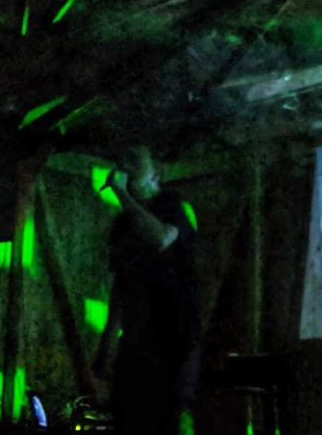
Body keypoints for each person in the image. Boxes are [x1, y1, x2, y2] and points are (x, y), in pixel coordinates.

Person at [92, 145, 201, 435]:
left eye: (134, 161)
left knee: (169, 417)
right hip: (136, 338)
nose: (125, 167)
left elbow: (161, 237)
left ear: (156, 172)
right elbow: (120, 285)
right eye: (122, 160)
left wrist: (120, 192)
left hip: (174, 335)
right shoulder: (122, 225)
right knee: (127, 416)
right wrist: (108, 340)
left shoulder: (173, 205)